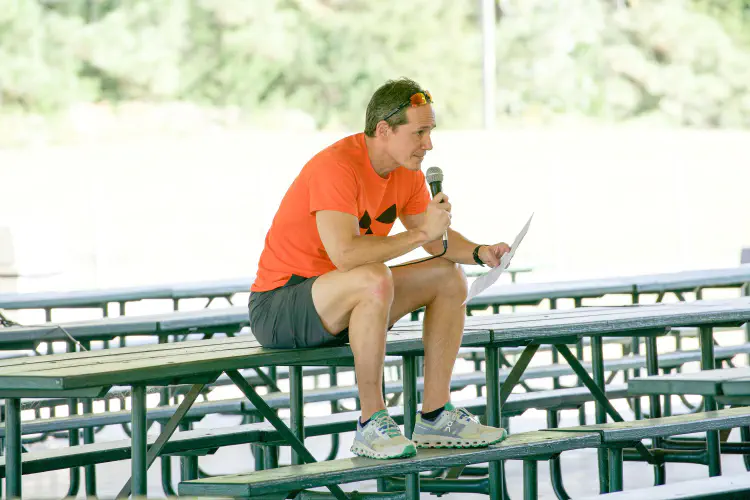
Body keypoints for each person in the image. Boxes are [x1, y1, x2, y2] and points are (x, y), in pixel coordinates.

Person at [249, 77, 511, 459]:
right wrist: (422, 233)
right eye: (419, 132)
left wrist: (479, 251)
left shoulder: (405, 170)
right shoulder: (337, 166)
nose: (429, 144)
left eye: (430, 131)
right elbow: (346, 255)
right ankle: (371, 421)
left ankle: (436, 416)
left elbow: (437, 241)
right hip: (281, 307)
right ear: (384, 130)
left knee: (449, 275)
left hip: (348, 300)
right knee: (373, 276)